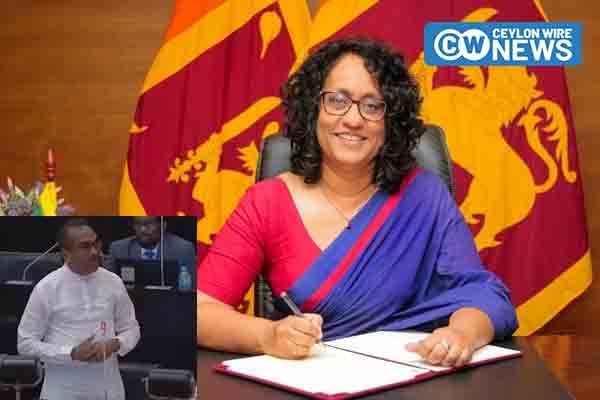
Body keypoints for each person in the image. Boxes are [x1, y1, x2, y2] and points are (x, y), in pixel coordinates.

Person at [197, 37, 518, 367]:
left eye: (372, 105)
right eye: (337, 100)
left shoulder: (425, 196)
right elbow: (197, 311)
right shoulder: (266, 203)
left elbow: (483, 294)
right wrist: (267, 336)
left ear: (390, 121)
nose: (353, 119)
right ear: (313, 109)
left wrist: (461, 335)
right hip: (308, 381)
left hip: (410, 376)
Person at [17, 218, 140, 400]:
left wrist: (116, 343)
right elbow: (25, 344)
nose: (95, 252)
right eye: (85, 246)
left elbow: (132, 329)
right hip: (63, 391)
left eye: (96, 244)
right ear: (66, 253)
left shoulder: (113, 282)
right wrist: (70, 353)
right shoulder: (47, 288)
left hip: (108, 389)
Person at [106, 216, 197, 288]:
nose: (142, 229)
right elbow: (107, 286)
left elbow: (190, 289)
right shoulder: (119, 249)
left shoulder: (182, 249)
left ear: (163, 226)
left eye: (149, 224)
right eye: (137, 224)